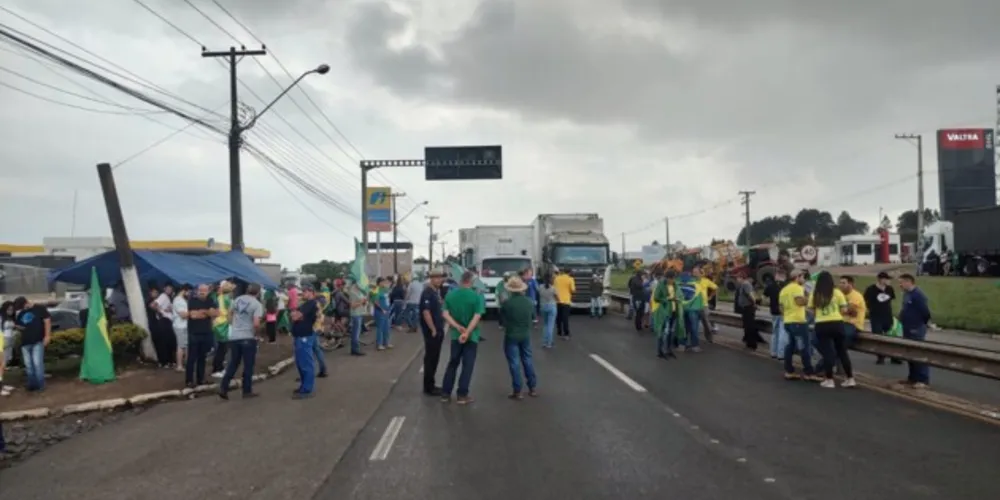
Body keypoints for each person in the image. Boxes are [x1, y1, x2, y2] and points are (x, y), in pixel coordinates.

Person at [440, 271, 486, 405]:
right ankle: (462, 394)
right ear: (471, 282)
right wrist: (467, 332)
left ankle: (445, 393)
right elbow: (477, 316)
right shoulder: (476, 297)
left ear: (461, 281)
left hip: (455, 335)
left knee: (453, 363)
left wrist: (457, 326)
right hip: (472, 336)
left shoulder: (451, 295)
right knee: (468, 365)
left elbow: (445, 313)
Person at [808, 271, 856, 389]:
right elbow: (844, 310)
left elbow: (810, 310)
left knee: (828, 353)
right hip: (837, 323)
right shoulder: (837, 293)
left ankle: (829, 380)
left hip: (822, 324)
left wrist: (818, 315)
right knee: (842, 351)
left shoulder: (815, 294)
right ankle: (850, 378)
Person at [220, 283, 263, 400]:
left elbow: (229, 314)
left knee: (233, 363)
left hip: (235, 336)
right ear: (258, 292)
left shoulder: (237, 299)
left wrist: (233, 324)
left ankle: (223, 387)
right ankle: (246, 390)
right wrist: (257, 334)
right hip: (248, 337)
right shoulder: (257, 304)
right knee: (248, 365)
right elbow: (256, 323)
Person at [499, 276, 538, 399]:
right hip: (525, 334)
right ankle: (532, 388)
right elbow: (533, 318)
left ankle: (518, 390)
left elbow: (502, 322)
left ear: (510, 290)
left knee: (514, 363)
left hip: (511, 334)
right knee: (527, 359)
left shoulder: (507, 303)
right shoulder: (529, 302)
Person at [779, 270, 818, 380]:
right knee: (804, 347)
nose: (804, 279)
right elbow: (800, 302)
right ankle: (809, 373)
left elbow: (781, 308)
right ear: (797, 277)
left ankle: (789, 371)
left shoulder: (784, 290)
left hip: (788, 321)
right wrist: (809, 296)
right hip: (798, 322)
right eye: (802, 277)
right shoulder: (797, 288)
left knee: (790, 346)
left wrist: (787, 315)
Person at [898, 273, 931, 388]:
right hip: (907, 327)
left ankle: (923, 379)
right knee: (910, 353)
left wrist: (920, 324)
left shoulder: (918, 295)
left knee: (918, 353)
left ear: (908, 282)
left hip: (916, 327)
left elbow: (925, 312)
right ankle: (912, 378)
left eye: (901, 282)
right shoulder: (907, 294)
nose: (900, 285)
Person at [13, 296, 50, 391]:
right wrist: (17, 326)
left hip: (38, 340)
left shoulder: (40, 308)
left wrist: (47, 336)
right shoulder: (21, 313)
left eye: (23, 306)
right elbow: (21, 326)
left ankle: (40, 386)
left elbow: (47, 322)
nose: (23, 309)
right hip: (25, 342)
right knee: (28, 365)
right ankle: (32, 385)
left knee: (37, 364)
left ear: (26, 302)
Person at [291, 285, 322, 399]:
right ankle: (304, 386)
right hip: (300, 335)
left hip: (305, 335)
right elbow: (294, 315)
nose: (302, 293)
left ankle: (307, 389)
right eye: (302, 291)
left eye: (305, 291)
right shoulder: (304, 304)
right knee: (300, 363)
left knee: (306, 363)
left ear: (311, 292)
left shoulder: (311, 303)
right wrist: (296, 315)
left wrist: (296, 315)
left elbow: (295, 316)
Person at [419, 270, 447, 396]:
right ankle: (428, 387)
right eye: (437, 278)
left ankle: (431, 384)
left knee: (435, 358)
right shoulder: (427, 293)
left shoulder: (436, 292)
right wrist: (433, 329)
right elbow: (426, 312)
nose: (440, 280)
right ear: (431, 279)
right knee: (431, 358)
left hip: (438, 328)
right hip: (432, 331)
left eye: (441, 278)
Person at [185, 284, 217, 388]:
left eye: (205, 290)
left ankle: (200, 379)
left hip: (206, 332)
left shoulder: (210, 300)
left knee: (202, 357)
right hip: (194, 333)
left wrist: (203, 312)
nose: (203, 292)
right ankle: (189, 380)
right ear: (197, 291)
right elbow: (193, 315)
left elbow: (215, 313)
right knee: (191, 358)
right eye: (201, 290)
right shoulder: (192, 300)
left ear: (208, 291)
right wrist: (206, 313)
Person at [864, 271, 900, 365]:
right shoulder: (871, 289)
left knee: (891, 337)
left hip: (887, 316)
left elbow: (890, 300)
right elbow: (865, 300)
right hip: (876, 317)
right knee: (878, 337)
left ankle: (894, 357)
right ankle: (880, 356)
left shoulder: (889, 289)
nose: (889, 281)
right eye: (887, 279)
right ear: (881, 279)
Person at [652, 270, 680, 359]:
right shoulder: (661, 285)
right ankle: (660, 351)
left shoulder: (675, 285)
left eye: (674, 279)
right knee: (664, 331)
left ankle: (668, 350)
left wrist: (676, 299)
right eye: (671, 279)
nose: (673, 280)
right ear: (667, 278)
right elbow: (656, 297)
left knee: (671, 332)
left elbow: (677, 295)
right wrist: (668, 299)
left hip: (674, 310)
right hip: (665, 311)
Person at [678, 266, 704, 352]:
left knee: (683, 328)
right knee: (694, 328)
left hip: (682, 308)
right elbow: (699, 297)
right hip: (693, 308)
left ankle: (682, 345)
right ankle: (695, 346)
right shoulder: (696, 282)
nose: (695, 274)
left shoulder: (678, 282)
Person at [763, 270, 788, 359]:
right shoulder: (785, 286)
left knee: (774, 332)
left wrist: (771, 303)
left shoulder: (770, 286)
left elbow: (764, 299)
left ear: (776, 276)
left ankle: (773, 352)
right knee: (783, 333)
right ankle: (781, 354)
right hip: (783, 312)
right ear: (783, 276)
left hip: (773, 311)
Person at [346, 278, 368, 356]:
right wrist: (361, 302)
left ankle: (354, 349)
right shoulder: (352, 292)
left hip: (360, 313)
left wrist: (364, 302)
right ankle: (355, 350)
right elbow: (352, 305)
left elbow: (361, 302)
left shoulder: (359, 292)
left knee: (356, 333)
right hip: (356, 315)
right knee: (356, 333)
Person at [172, 285, 190, 372]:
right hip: (180, 326)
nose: (189, 293)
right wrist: (193, 313)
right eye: (188, 291)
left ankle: (187, 363)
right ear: (184, 291)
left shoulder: (182, 300)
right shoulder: (178, 300)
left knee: (185, 345)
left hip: (184, 325)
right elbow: (183, 315)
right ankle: (179, 366)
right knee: (181, 346)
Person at [553, 268, 576, 339]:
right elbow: (573, 290)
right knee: (565, 318)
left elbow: (554, 289)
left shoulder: (557, 278)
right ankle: (566, 333)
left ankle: (559, 332)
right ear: (569, 272)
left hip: (558, 301)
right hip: (566, 301)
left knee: (558, 317)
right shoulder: (570, 279)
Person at [538, 273, 558, 348]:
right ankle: (549, 342)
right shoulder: (553, 288)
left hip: (543, 306)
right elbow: (557, 297)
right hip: (552, 306)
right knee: (551, 325)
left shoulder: (540, 287)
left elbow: (539, 294)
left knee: (545, 325)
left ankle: (544, 342)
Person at [0, 301, 16, 396]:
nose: (11, 311)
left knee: (4, 364)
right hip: (2, 341)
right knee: (1, 365)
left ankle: (2, 384)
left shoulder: (10, 318)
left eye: (12, 309)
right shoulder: (1, 318)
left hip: (9, 341)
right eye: (9, 309)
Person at [374, 277, 393, 350]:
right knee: (380, 328)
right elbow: (376, 301)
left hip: (387, 310)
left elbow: (388, 296)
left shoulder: (385, 290)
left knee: (387, 327)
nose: (384, 283)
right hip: (380, 312)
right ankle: (379, 344)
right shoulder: (376, 290)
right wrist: (382, 309)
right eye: (383, 282)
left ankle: (386, 342)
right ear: (379, 283)